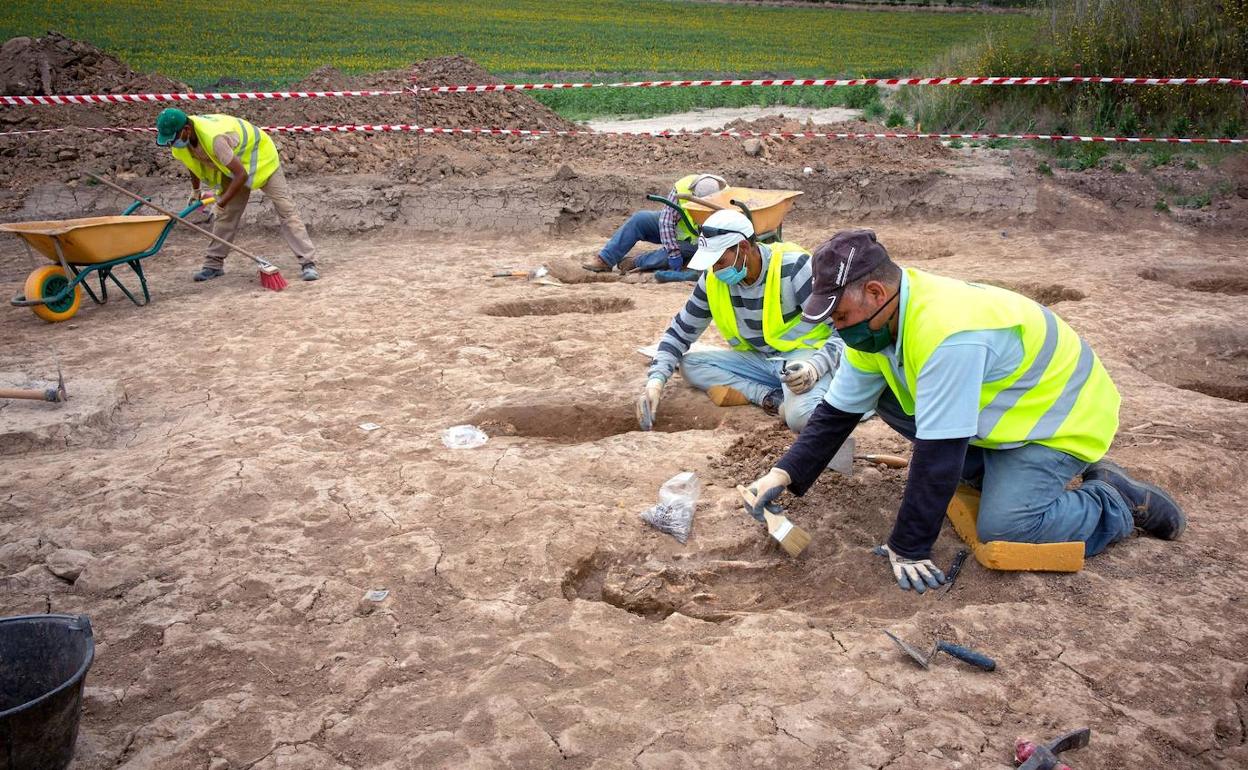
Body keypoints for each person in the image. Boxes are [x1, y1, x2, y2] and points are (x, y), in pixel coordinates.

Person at [739, 229, 1186, 592]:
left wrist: (910, 546)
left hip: (1057, 421)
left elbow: (939, 450)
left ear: (875, 291)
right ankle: (992, 473)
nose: (837, 329)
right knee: (886, 396)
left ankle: (1115, 499)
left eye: (840, 316)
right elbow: (837, 412)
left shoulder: (946, 333)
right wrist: (783, 474)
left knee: (1007, 527)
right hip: (1001, 415)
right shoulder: (882, 320)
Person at [639, 209, 845, 434]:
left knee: (802, 418)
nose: (715, 270)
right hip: (760, 361)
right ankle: (771, 398)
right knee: (690, 365)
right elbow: (679, 333)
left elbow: (843, 333)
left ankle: (821, 392)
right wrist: (656, 381)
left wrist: (815, 367)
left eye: (720, 261)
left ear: (744, 248)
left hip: (804, 358)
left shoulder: (793, 267)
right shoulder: (712, 279)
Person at [155, 108, 319, 282]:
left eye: (172, 139)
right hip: (232, 167)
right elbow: (192, 163)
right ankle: (213, 265)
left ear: (186, 129)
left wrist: (220, 203)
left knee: (286, 210)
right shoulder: (181, 141)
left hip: (262, 159)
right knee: (226, 215)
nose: (171, 144)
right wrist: (196, 190)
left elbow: (242, 175)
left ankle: (308, 263)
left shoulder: (215, 139)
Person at [583, 173, 728, 278]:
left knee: (675, 252)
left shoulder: (727, 198)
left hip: (700, 242)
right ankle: (605, 259)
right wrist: (673, 252)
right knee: (640, 220)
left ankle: (635, 262)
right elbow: (666, 221)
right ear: (693, 192)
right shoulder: (683, 188)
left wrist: (675, 253)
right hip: (679, 229)